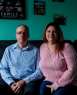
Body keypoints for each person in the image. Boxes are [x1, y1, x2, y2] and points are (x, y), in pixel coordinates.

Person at [0, 25, 42, 95]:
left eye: (24, 33)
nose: (22, 35)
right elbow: (3, 68)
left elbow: (39, 71)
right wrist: (11, 83)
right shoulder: (8, 50)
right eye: (19, 33)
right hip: (12, 79)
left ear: (28, 35)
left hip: (29, 81)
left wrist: (23, 81)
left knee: (30, 92)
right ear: (16, 35)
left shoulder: (36, 51)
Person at [39, 22, 77, 95]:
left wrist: (57, 84)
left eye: (54, 32)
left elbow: (72, 69)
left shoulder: (67, 47)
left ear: (59, 34)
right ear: (45, 33)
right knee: (42, 92)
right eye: (49, 31)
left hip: (68, 81)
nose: (51, 34)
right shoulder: (42, 47)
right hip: (49, 79)